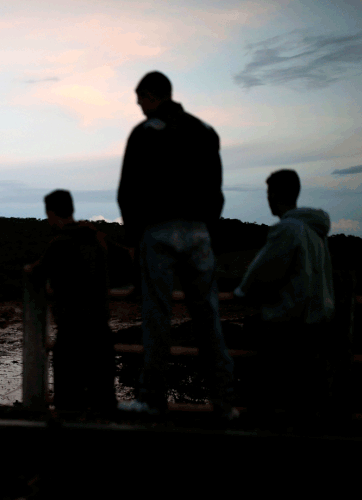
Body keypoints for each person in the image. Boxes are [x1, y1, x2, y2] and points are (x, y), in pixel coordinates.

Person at [116, 71, 237, 419]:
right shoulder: (205, 130)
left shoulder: (143, 133)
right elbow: (216, 188)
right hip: (199, 232)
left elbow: (129, 191)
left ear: (152, 95)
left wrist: (133, 238)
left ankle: (152, 400)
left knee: (158, 317)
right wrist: (206, 229)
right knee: (208, 318)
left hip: (158, 231)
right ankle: (225, 404)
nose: (138, 105)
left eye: (139, 98)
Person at [234, 169, 334, 430]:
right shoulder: (316, 232)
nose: (267, 199)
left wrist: (241, 294)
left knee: (264, 402)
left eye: (268, 193)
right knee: (303, 408)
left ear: (275, 194)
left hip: (287, 329)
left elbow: (260, 274)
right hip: (314, 329)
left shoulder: (288, 230)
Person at [24, 190, 116, 415]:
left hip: (72, 331)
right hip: (101, 330)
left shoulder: (59, 244)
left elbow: (37, 272)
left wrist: (28, 269)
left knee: (68, 400)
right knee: (103, 398)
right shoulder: (97, 240)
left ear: (51, 213)